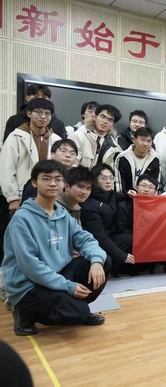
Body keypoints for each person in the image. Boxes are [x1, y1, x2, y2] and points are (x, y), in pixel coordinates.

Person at [3, 160, 109, 336]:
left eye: (58, 179)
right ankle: (24, 312)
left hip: (56, 275)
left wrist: (97, 261)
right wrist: (68, 286)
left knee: (104, 261)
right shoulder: (22, 219)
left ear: (63, 184)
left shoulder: (62, 214)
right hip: (28, 284)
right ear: (34, 182)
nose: (53, 183)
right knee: (79, 312)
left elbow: (86, 240)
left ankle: (75, 306)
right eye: (46, 178)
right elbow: (31, 267)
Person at [0, 98, 62, 215]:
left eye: (47, 113)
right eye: (38, 112)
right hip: (22, 192)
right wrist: (12, 197)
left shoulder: (56, 139)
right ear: (29, 114)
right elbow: (6, 169)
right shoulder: (16, 137)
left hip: (50, 193)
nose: (43, 117)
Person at [81, 164, 132, 277]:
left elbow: (120, 197)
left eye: (111, 178)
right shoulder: (89, 205)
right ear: (95, 180)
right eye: (103, 178)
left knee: (130, 237)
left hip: (111, 235)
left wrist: (129, 195)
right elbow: (99, 237)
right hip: (96, 242)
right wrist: (121, 255)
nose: (108, 181)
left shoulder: (110, 194)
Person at [21, 138, 78, 204]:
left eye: (72, 153)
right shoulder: (42, 174)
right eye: (63, 151)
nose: (68, 155)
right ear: (52, 154)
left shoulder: (75, 178)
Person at [69, 104, 121, 169]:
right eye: (103, 117)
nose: (105, 122)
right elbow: (71, 166)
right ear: (95, 117)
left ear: (112, 125)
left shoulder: (113, 146)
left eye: (110, 120)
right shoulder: (78, 136)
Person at [114, 127, 160, 194]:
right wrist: (127, 196)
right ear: (134, 140)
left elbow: (155, 185)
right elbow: (119, 185)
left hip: (146, 198)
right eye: (142, 140)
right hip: (126, 197)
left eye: (148, 141)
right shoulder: (122, 158)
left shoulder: (155, 159)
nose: (145, 144)